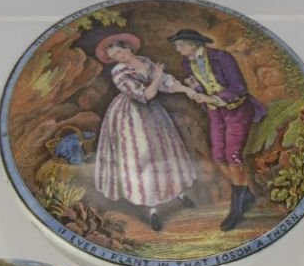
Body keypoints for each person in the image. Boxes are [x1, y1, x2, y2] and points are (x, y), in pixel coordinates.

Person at [93, 33, 201, 232]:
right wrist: (157, 77)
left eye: (120, 51)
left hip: (153, 113)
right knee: (143, 156)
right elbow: (146, 94)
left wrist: (186, 90)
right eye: (114, 56)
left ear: (129, 48)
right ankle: (152, 209)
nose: (119, 56)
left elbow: (166, 83)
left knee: (165, 151)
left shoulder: (144, 61)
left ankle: (177, 192)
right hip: (131, 116)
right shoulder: (118, 72)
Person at [168, 28, 267, 231]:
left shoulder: (221, 57)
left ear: (192, 44)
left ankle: (236, 208)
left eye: (180, 45)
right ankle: (245, 194)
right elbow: (203, 88)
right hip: (215, 112)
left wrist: (212, 97)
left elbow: (239, 88)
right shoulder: (187, 63)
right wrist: (196, 88)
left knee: (232, 156)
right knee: (219, 156)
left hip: (237, 109)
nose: (177, 49)